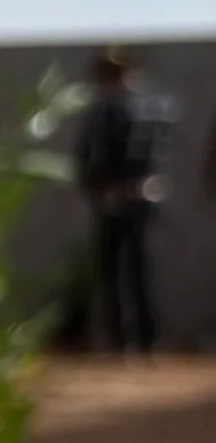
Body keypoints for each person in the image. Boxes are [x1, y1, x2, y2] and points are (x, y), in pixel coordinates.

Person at [72, 47, 172, 353]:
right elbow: (88, 157)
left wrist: (146, 184)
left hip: (138, 197)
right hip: (110, 199)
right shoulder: (100, 113)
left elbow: (153, 153)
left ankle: (146, 338)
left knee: (139, 269)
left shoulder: (147, 109)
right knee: (113, 271)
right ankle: (121, 340)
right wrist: (99, 189)